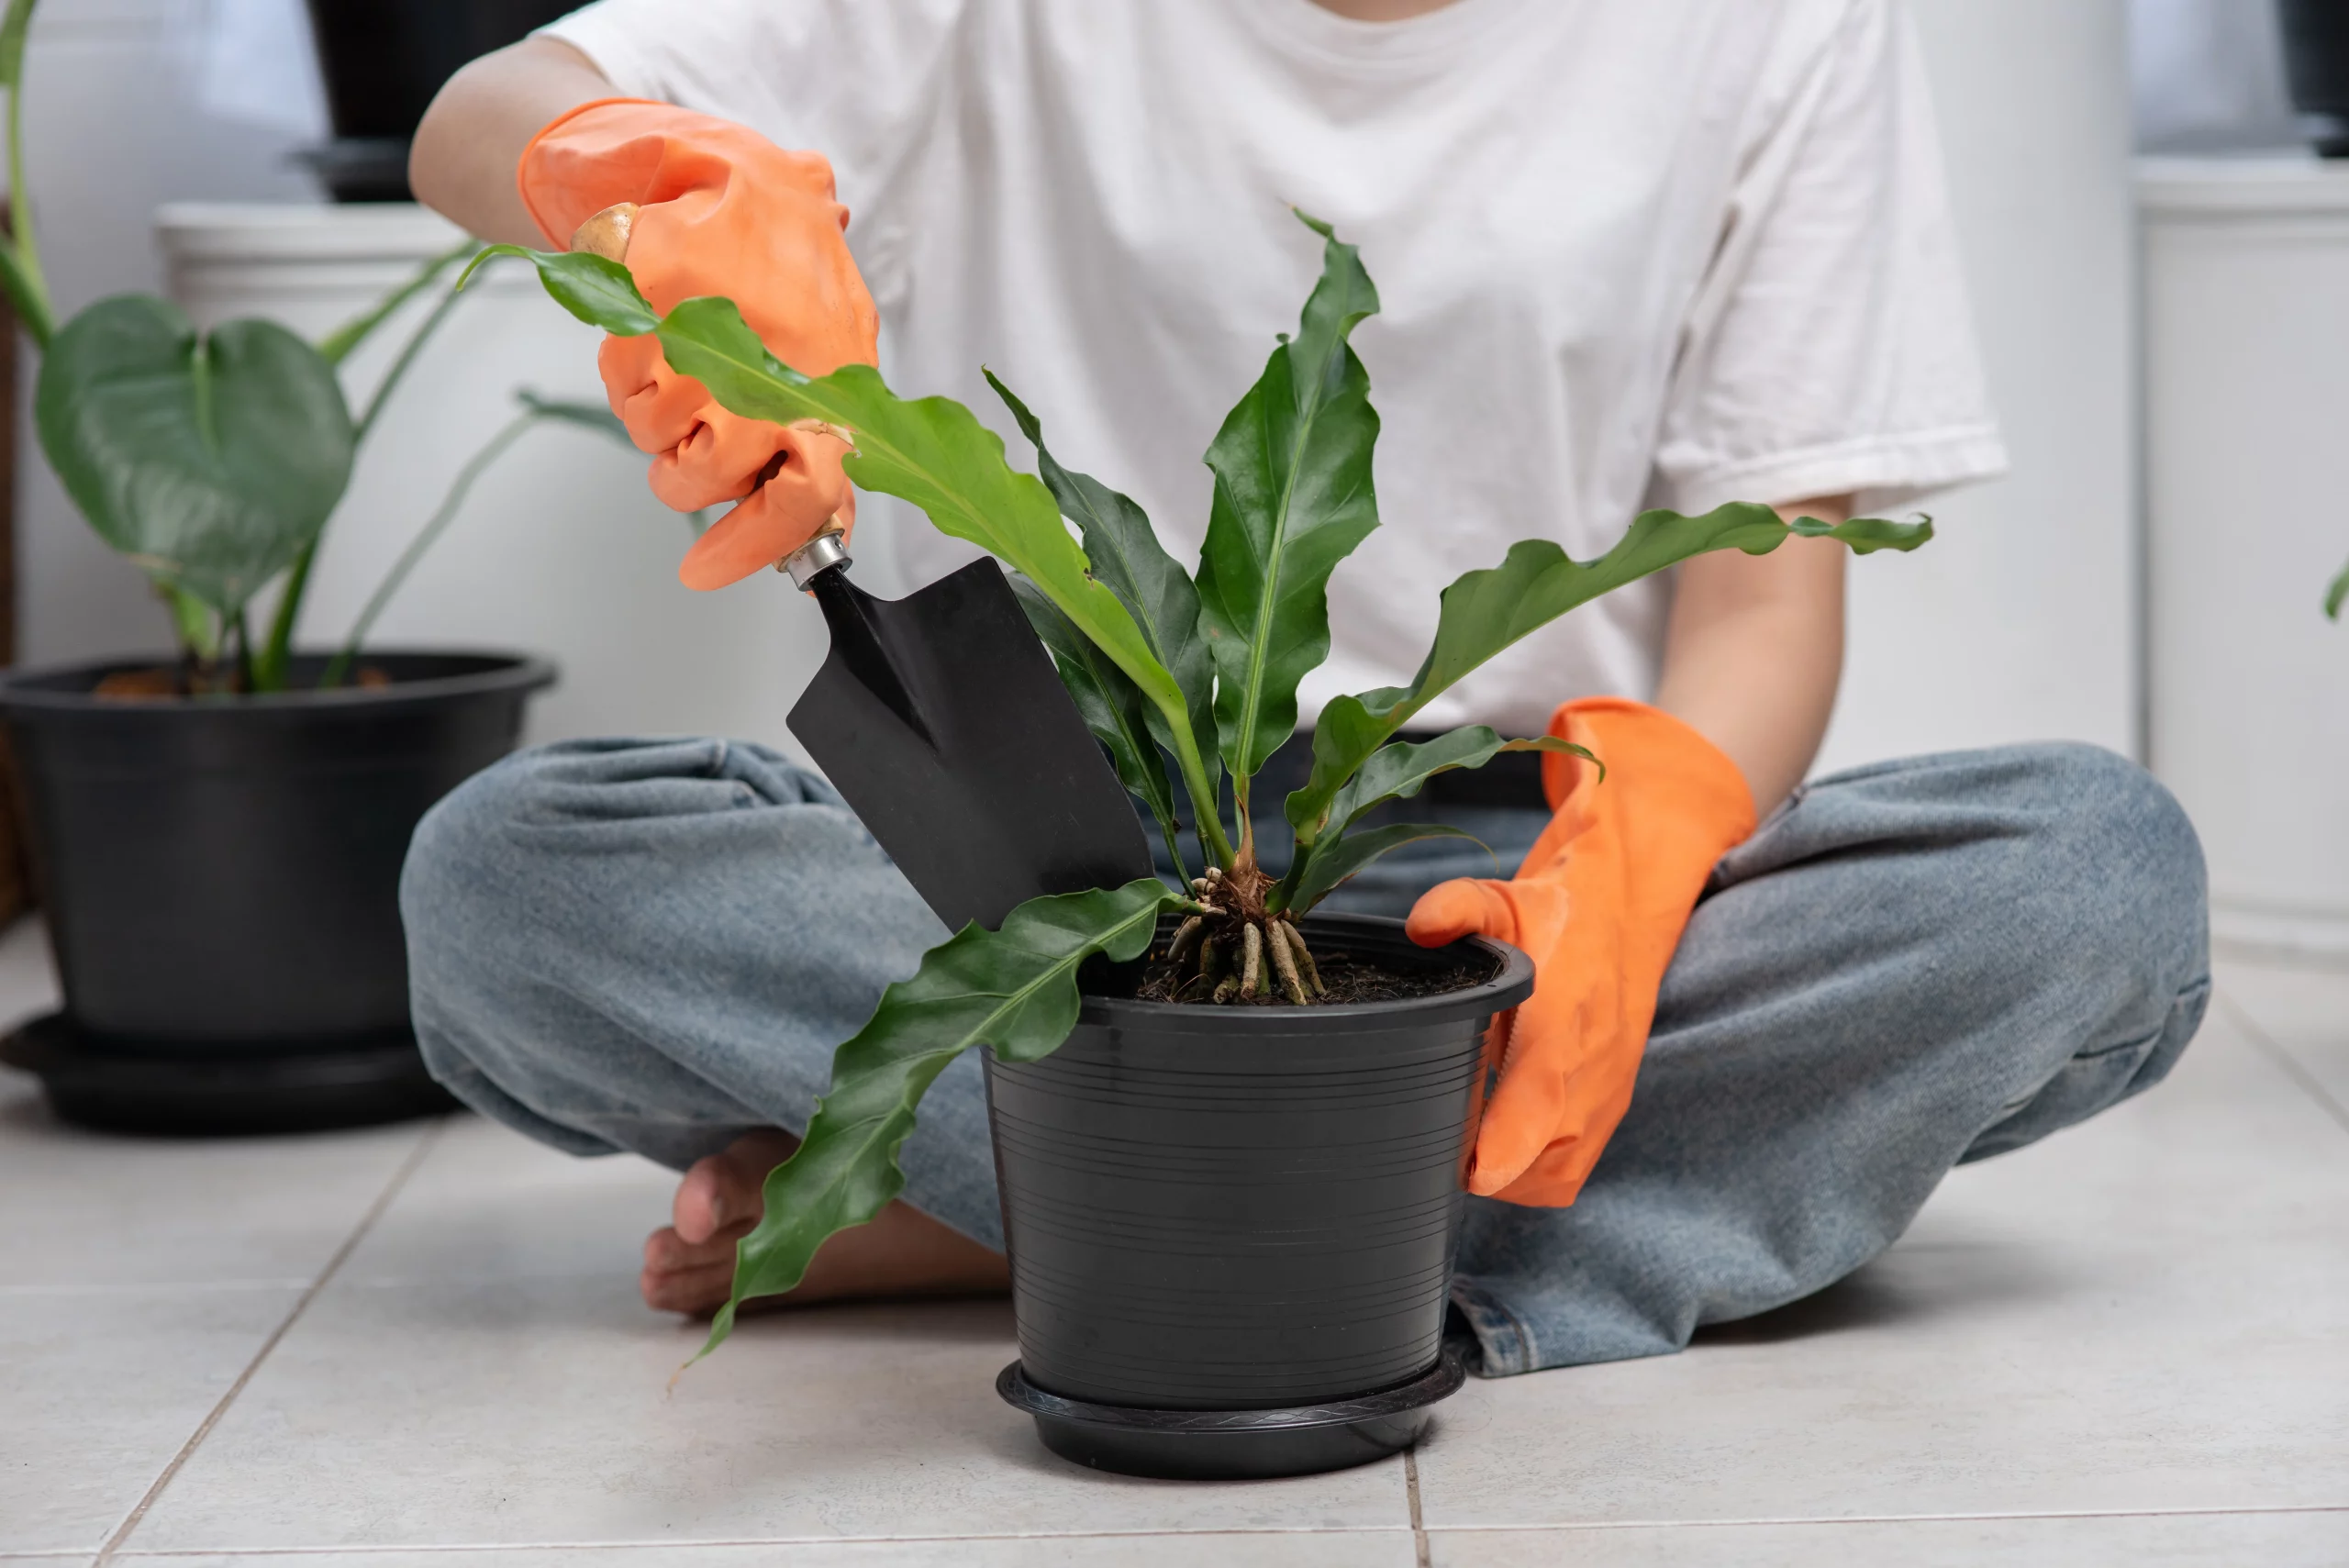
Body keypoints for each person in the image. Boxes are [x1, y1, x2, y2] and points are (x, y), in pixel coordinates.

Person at [399, 0, 2210, 1375]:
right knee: (505, 871)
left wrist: (1646, 842)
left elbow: (1758, 603)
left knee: (2091, 877)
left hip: (1492, 884)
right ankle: (1374, 1223)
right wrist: (641, 179)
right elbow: (487, 109)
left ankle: (1034, 1202)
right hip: (1035, 866)